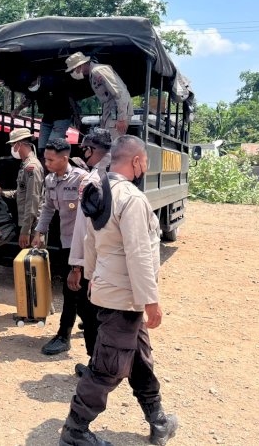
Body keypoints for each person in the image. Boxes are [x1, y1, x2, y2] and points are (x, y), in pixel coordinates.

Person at [58, 136, 178, 446]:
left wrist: (92, 277)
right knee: (107, 369)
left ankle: (158, 419)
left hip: (111, 291)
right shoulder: (131, 198)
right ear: (137, 161)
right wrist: (151, 301)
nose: (146, 167)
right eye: (146, 161)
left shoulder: (99, 190)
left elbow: (90, 242)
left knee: (140, 359)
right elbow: (139, 254)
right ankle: (75, 431)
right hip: (125, 297)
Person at [31, 138, 87, 355]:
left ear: (65, 159)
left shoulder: (82, 179)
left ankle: (64, 335)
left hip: (82, 244)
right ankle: (89, 320)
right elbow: (48, 208)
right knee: (75, 288)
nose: (47, 163)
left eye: (51, 160)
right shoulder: (51, 180)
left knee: (71, 289)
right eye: (45, 159)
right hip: (66, 243)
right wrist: (39, 231)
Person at [68, 128, 112, 377]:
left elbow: (82, 229)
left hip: (93, 263)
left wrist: (76, 266)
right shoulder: (121, 176)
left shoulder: (91, 181)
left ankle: (96, 367)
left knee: (90, 313)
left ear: (92, 150)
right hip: (114, 261)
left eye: (84, 149)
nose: (83, 154)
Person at [65, 52, 133, 141]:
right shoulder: (92, 74)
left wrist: (122, 118)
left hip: (118, 110)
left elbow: (120, 92)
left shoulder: (98, 70)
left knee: (112, 143)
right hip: (110, 111)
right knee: (105, 141)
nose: (74, 72)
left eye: (73, 70)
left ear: (80, 66)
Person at [0, 128, 44, 249]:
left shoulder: (31, 167)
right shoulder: (25, 165)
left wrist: (26, 231)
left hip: (34, 227)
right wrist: (3, 193)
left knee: (33, 264)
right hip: (30, 224)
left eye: (13, 144)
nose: (12, 148)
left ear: (19, 144)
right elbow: (22, 193)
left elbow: (32, 200)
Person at [11, 74, 76, 154]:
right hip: (47, 117)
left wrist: (76, 116)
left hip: (62, 117)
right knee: (41, 148)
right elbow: (28, 100)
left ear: (38, 78)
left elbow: (70, 98)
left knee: (53, 147)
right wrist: (18, 109)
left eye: (32, 84)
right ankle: (43, 163)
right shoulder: (32, 88)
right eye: (30, 85)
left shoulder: (54, 82)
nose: (32, 86)